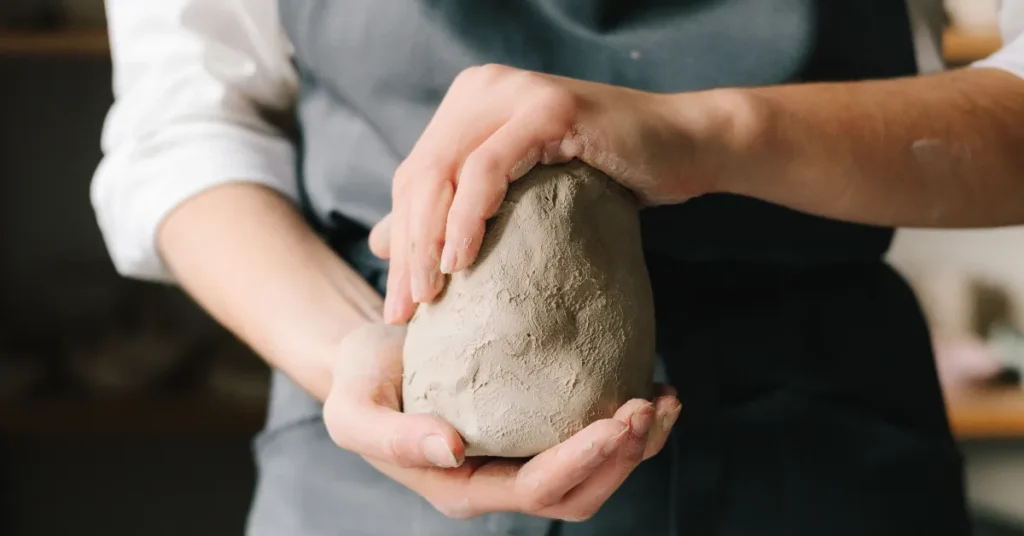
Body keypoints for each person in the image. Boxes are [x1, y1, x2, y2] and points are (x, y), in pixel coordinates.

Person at [93, 1, 1024, 534]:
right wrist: (351, 353)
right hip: (379, 431)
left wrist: (711, 135)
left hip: (811, 437)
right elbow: (185, 130)